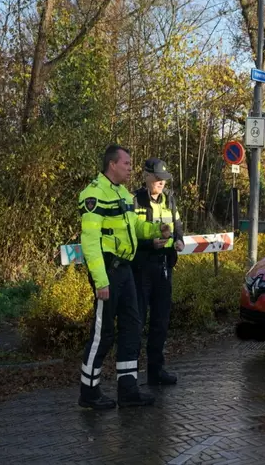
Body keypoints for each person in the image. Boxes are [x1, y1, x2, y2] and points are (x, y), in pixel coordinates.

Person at [78, 145, 171, 410]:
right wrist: (100, 280)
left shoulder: (123, 194)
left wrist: (156, 228)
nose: (131, 168)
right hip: (107, 269)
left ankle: (128, 388)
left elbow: (135, 227)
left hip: (125, 269)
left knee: (132, 326)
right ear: (112, 165)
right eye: (127, 163)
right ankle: (89, 391)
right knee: (103, 332)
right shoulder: (94, 194)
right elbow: (91, 241)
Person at [132, 158, 184, 385]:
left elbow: (178, 225)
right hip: (142, 268)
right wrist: (148, 245)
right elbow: (130, 235)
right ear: (147, 177)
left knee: (160, 322)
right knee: (137, 322)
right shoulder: (134, 200)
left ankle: (156, 370)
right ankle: (130, 374)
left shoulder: (170, 200)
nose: (162, 182)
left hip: (164, 268)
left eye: (165, 179)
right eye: (158, 178)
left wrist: (179, 241)